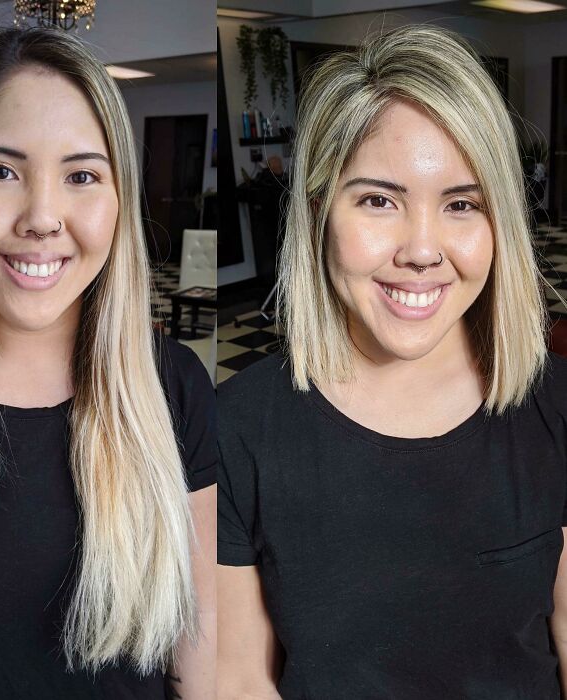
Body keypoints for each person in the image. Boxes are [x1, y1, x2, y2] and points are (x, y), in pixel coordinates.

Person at [217, 23, 567, 699]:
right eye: (379, 200)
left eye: (462, 204)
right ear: (320, 211)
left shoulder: (555, 407)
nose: (422, 249)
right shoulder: (238, 427)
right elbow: (237, 678)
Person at [0, 24, 216, 700]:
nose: (42, 216)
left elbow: (195, 635)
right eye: (1, 171)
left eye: (81, 175)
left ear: (120, 202)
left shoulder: (175, 385)